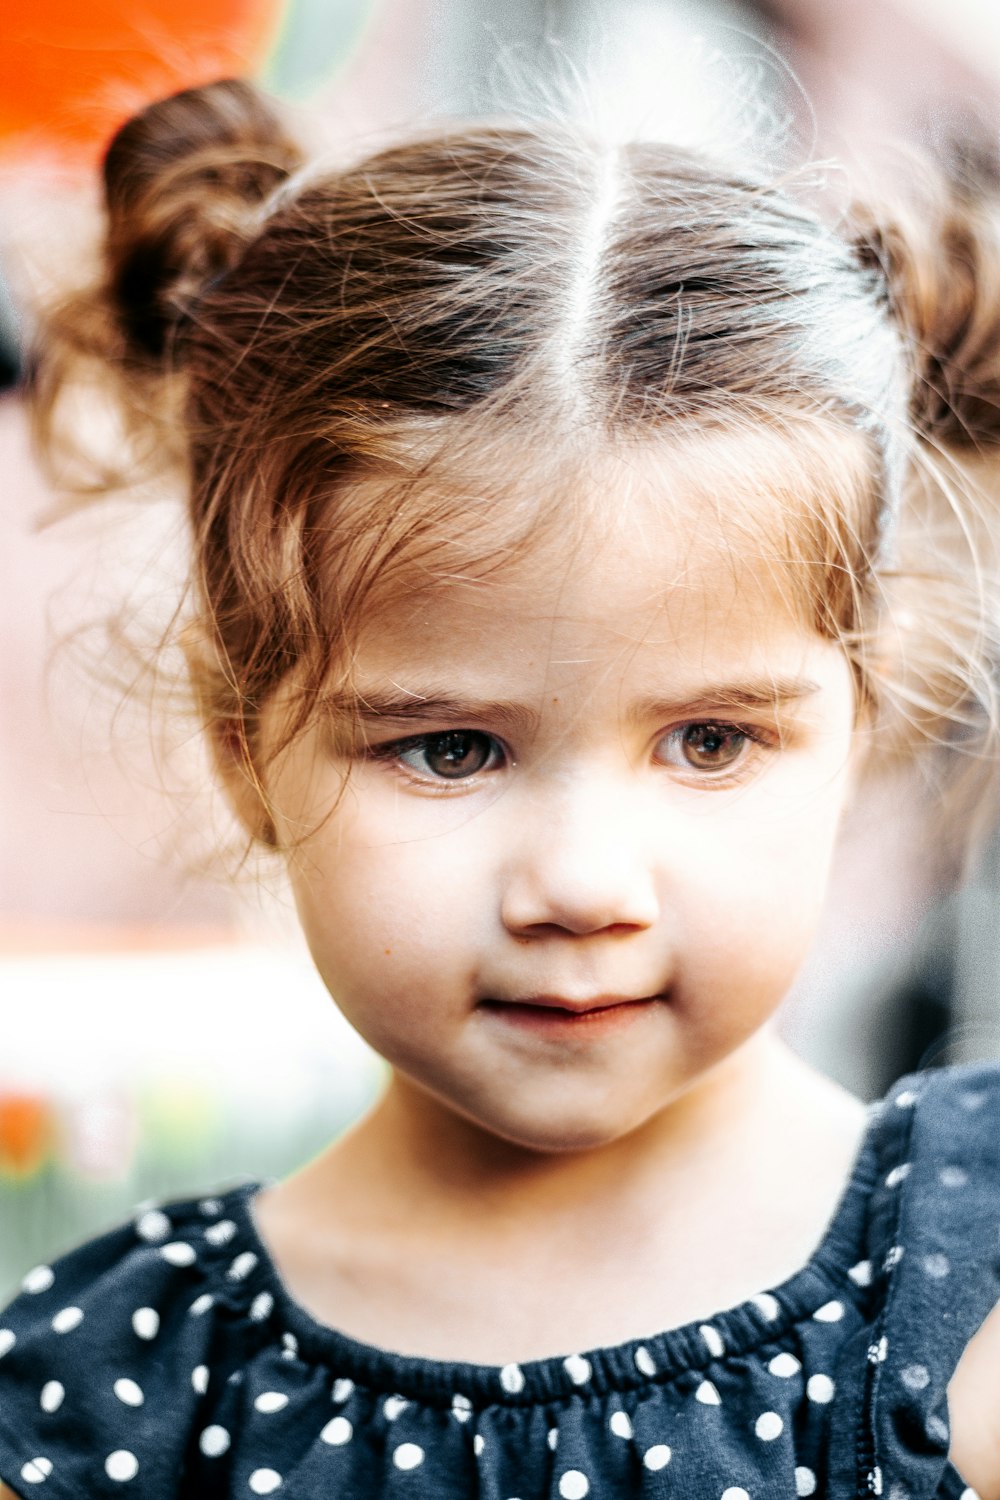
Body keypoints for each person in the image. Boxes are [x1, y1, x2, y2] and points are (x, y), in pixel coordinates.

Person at [1, 75, 1000, 1500]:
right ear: (244, 750)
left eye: (711, 741)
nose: (585, 883)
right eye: (450, 748)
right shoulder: (110, 1396)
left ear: (863, 717)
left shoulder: (974, 1299)